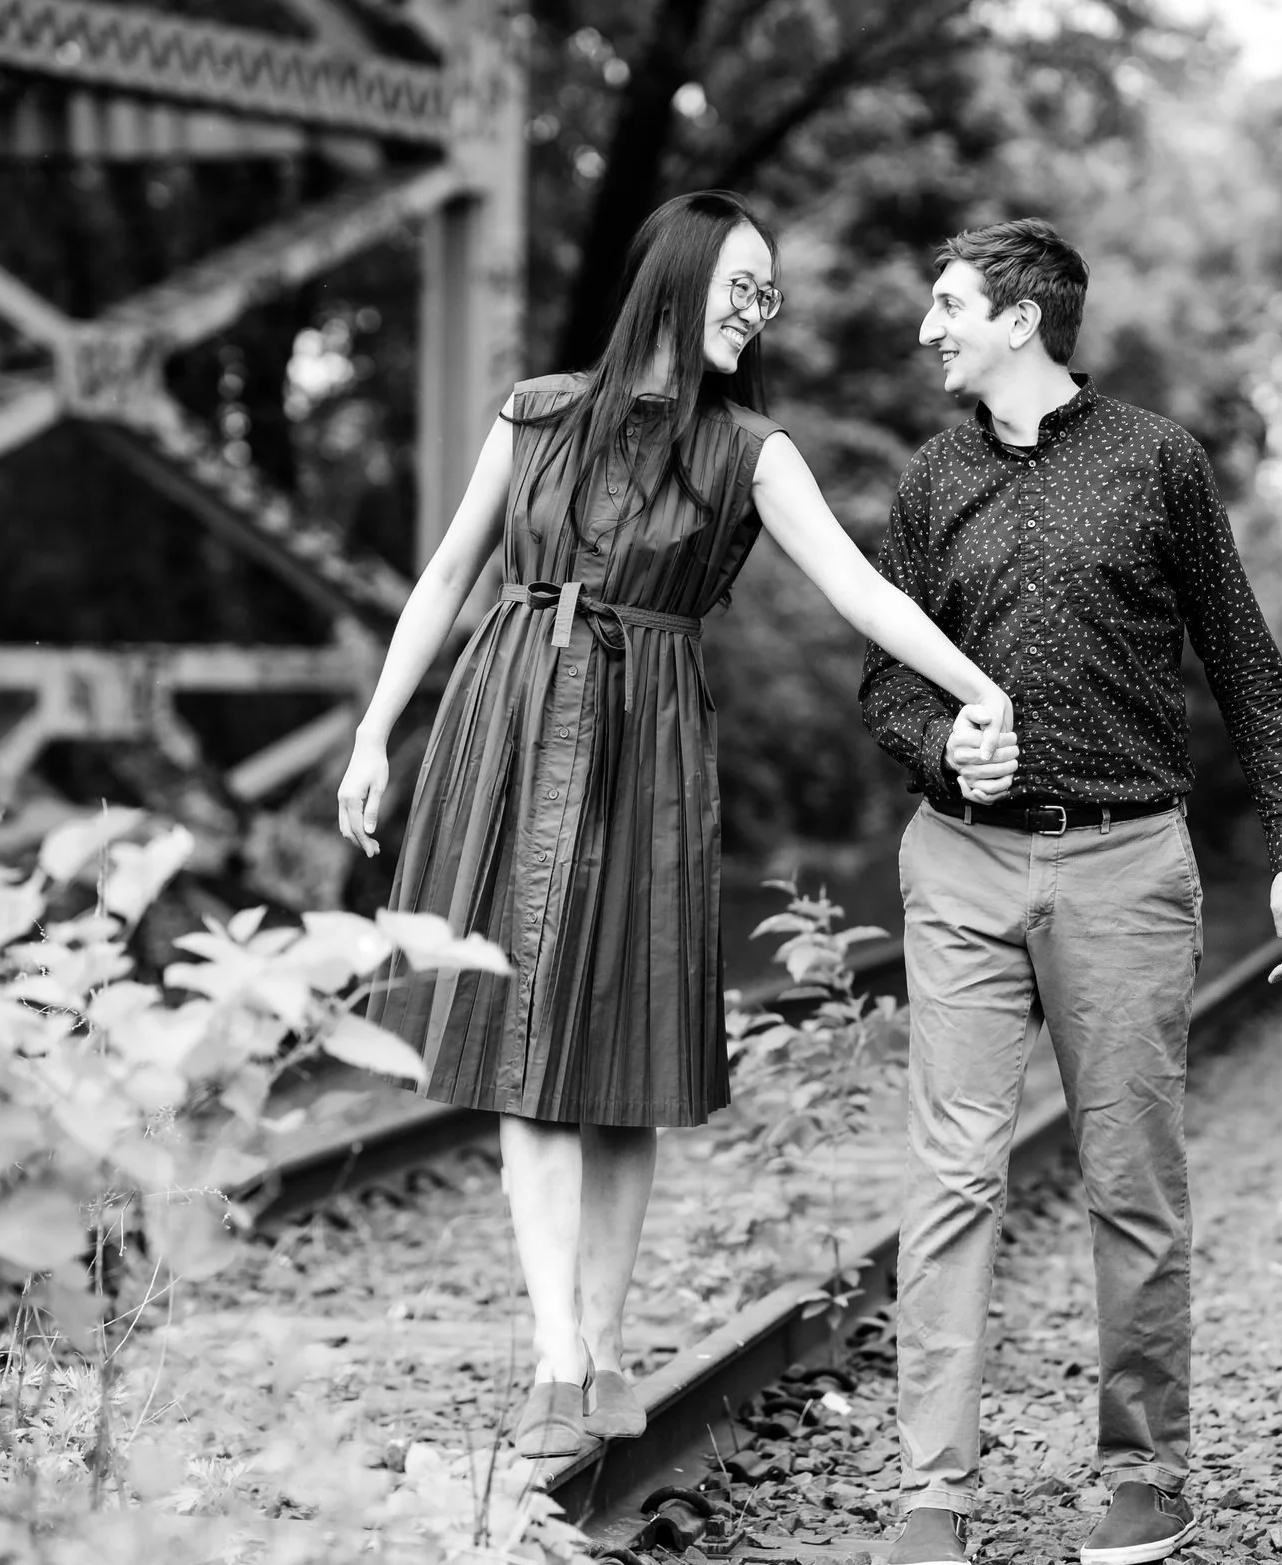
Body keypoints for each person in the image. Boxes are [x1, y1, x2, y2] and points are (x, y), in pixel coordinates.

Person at [333, 191, 1016, 1461]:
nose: (759, 312)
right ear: (680, 274)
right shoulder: (532, 413)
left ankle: (596, 1346)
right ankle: (556, 1358)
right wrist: (377, 730)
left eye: (770, 297)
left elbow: (862, 591)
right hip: (510, 719)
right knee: (518, 1039)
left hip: (644, 742)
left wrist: (977, 684)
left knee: (623, 1054)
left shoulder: (754, 451)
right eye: (743, 284)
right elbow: (443, 576)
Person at [861, 219, 1282, 1565]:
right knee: (951, 1177)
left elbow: (1245, 656)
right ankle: (932, 1491)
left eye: (948, 305)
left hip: (1127, 864)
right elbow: (890, 682)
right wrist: (944, 741)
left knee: (1130, 1175)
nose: (929, 328)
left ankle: (1145, 1471)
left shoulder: (1158, 462)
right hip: (958, 858)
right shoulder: (928, 479)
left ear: (1020, 315)